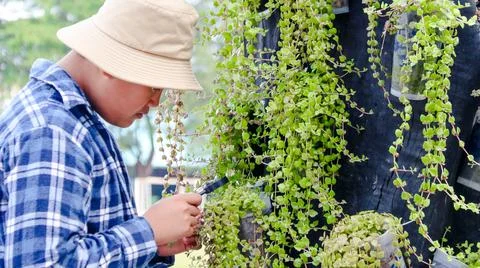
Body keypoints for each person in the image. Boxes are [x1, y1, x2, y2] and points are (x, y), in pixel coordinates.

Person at [0, 0, 204, 267]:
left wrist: (151, 245)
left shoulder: (72, 122)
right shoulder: (53, 131)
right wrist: (148, 230)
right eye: (154, 85)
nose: (157, 101)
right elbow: (44, 262)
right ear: (112, 63)